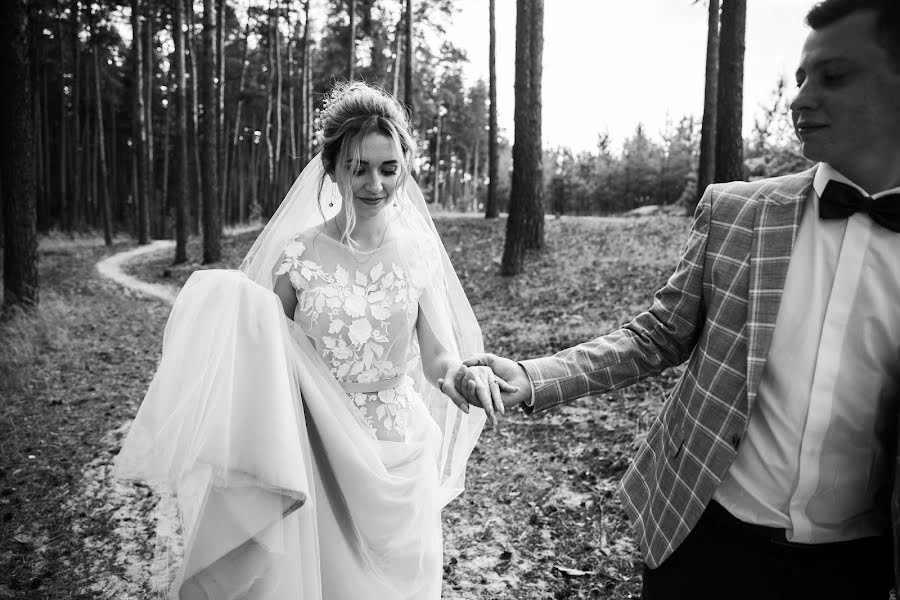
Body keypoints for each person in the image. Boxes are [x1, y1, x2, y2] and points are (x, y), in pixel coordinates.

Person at [456, 1, 900, 598]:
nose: (799, 99)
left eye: (834, 76)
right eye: (798, 78)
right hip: (702, 540)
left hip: (856, 569)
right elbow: (657, 334)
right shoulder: (740, 213)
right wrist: (534, 376)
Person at [113, 82, 512, 599]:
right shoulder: (298, 254)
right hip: (316, 450)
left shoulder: (418, 255)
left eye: (389, 168)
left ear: (405, 168)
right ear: (332, 169)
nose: (375, 183)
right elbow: (261, 352)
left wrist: (463, 376)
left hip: (395, 447)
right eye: (358, 167)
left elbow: (437, 358)